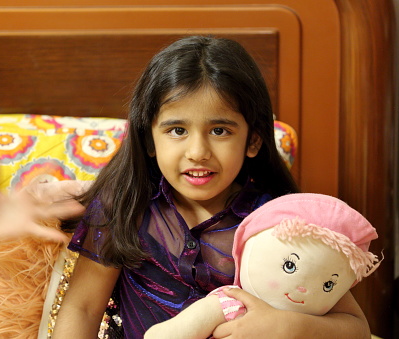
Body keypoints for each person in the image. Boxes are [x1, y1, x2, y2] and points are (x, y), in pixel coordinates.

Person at [52, 35, 372, 338]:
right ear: (150, 140)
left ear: (254, 140)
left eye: (219, 130)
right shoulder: (121, 206)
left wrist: (288, 325)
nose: (197, 152)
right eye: (177, 130)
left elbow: (355, 327)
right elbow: (81, 309)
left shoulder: (279, 221)